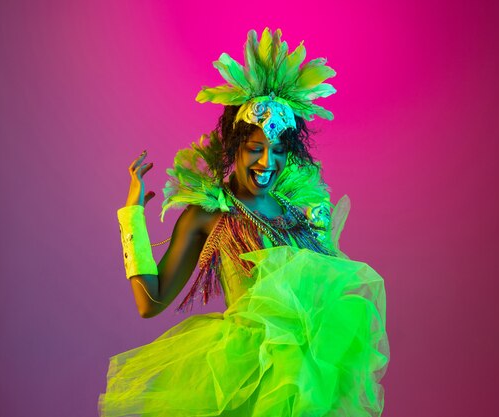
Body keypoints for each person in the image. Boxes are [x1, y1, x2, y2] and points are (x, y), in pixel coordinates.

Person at [98, 28, 389, 417]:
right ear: (234, 145)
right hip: (243, 382)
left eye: (278, 151)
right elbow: (149, 303)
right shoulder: (209, 215)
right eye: (255, 148)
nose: (267, 163)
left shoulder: (302, 214)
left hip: (308, 387)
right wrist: (131, 217)